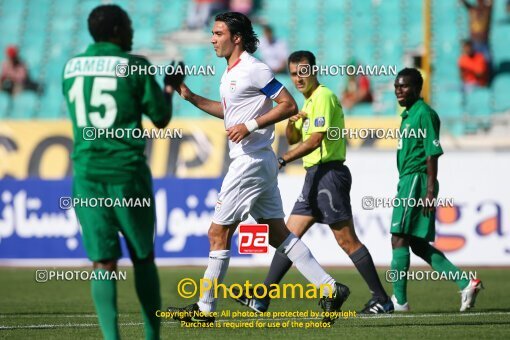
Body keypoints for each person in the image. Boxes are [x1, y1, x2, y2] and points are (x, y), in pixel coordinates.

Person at [167, 12, 350, 325]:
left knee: (217, 232)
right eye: (212, 33)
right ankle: (330, 288)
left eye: (218, 33)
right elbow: (229, 114)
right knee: (279, 234)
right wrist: (191, 97)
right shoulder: (230, 73)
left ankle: (205, 309)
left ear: (236, 38)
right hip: (258, 160)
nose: (213, 39)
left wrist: (250, 125)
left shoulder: (255, 68)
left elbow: (288, 105)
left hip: (250, 161)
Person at [231, 51, 394, 315]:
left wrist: (282, 160)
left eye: (303, 72)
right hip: (313, 176)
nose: (298, 78)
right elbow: (296, 137)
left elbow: (316, 141)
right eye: (293, 73)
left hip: (329, 175)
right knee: (287, 237)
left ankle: (381, 299)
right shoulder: (308, 103)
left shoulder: (325, 97)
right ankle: (261, 298)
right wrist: (293, 125)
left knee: (347, 241)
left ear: (314, 70)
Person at [62, 5, 177, 339]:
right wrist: (169, 87)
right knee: (143, 256)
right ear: (115, 30)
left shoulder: (70, 68)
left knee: (103, 262)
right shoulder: (135, 66)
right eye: (127, 26)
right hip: (126, 174)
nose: (132, 32)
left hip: (86, 175)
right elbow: (160, 118)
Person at [390, 68, 483, 312]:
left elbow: (432, 153)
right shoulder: (408, 115)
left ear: (418, 89)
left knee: (398, 236)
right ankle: (466, 282)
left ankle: (399, 301)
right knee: (418, 244)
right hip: (409, 181)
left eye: (404, 86)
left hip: (417, 181)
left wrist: (429, 191)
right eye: (396, 86)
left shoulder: (425, 114)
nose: (398, 90)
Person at [460, 0, 493, 64]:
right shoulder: (472, 10)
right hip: (474, 42)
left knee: (487, 61)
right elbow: (465, 3)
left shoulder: (487, 10)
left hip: (483, 42)